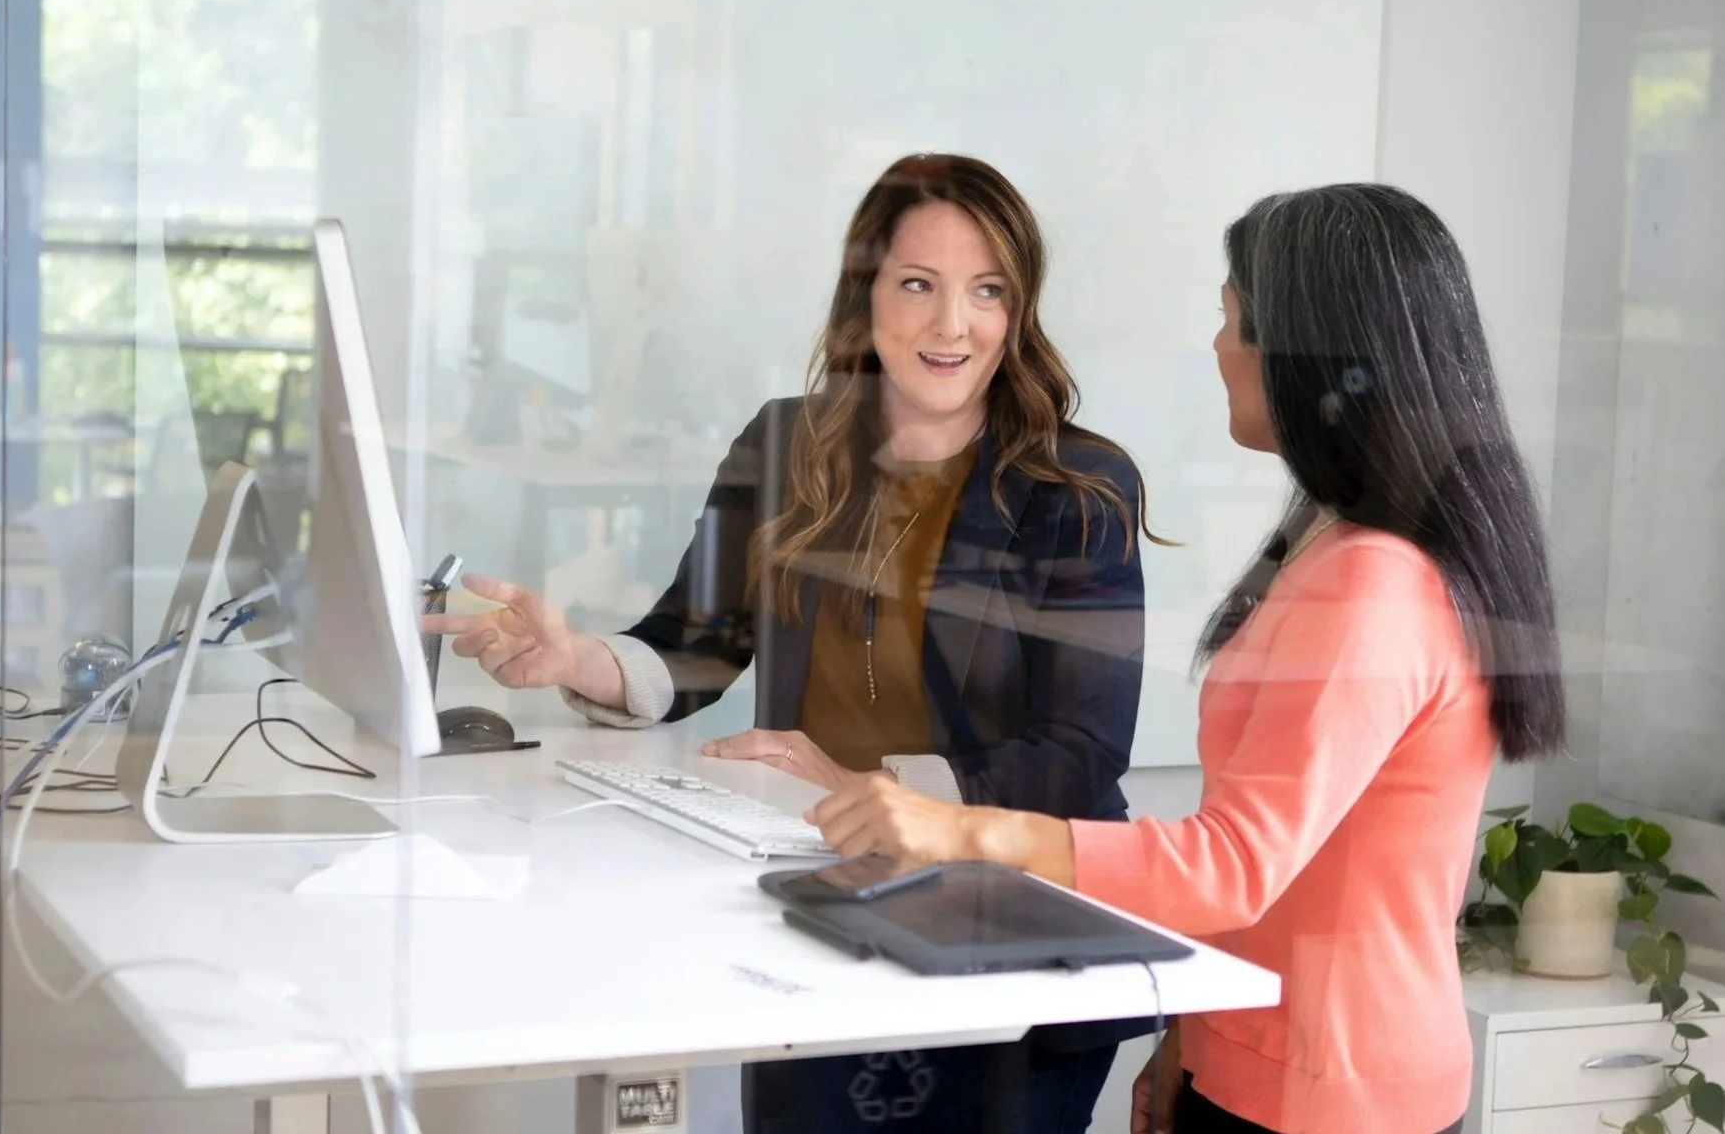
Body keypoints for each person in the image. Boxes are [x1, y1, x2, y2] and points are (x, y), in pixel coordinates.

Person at [803, 183, 1566, 1134]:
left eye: (1234, 321)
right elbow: (1279, 865)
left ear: (1314, 355)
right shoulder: (1330, 546)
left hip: (1332, 1098)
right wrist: (1188, 1042)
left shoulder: (1376, 582)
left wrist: (958, 829)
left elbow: (1231, 862)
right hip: (1255, 1064)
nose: (1218, 348)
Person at [426, 152, 1156, 1132]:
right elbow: (692, 645)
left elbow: (1080, 757)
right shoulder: (786, 443)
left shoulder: (1078, 487)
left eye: (988, 291)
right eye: (917, 285)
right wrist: (575, 657)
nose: (953, 323)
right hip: (831, 903)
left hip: (1010, 932)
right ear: (867, 298)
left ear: (1019, 311)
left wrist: (878, 785)